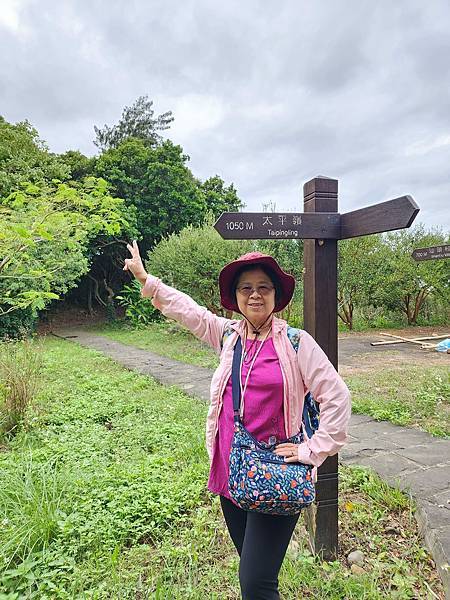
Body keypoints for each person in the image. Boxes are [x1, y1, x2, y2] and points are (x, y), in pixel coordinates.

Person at [123, 242, 351, 600]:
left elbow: (337, 396)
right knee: (253, 567)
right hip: (231, 471)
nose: (255, 295)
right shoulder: (229, 337)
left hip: (276, 472)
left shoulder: (296, 343)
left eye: (264, 287)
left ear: (276, 296)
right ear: (236, 296)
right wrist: (145, 278)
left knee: (256, 584)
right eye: (246, 288)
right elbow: (189, 312)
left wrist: (313, 449)